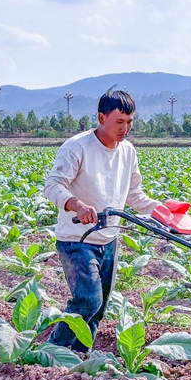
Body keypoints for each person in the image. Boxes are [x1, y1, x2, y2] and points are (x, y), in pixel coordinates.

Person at [43, 86, 160, 352]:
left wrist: (162, 212)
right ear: (101, 118)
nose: (125, 128)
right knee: (87, 300)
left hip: (109, 239)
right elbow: (53, 185)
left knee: (99, 308)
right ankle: (53, 352)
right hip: (77, 239)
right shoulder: (78, 147)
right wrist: (77, 204)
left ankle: (79, 356)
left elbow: (134, 194)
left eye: (129, 122)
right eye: (119, 122)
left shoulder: (127, 151)